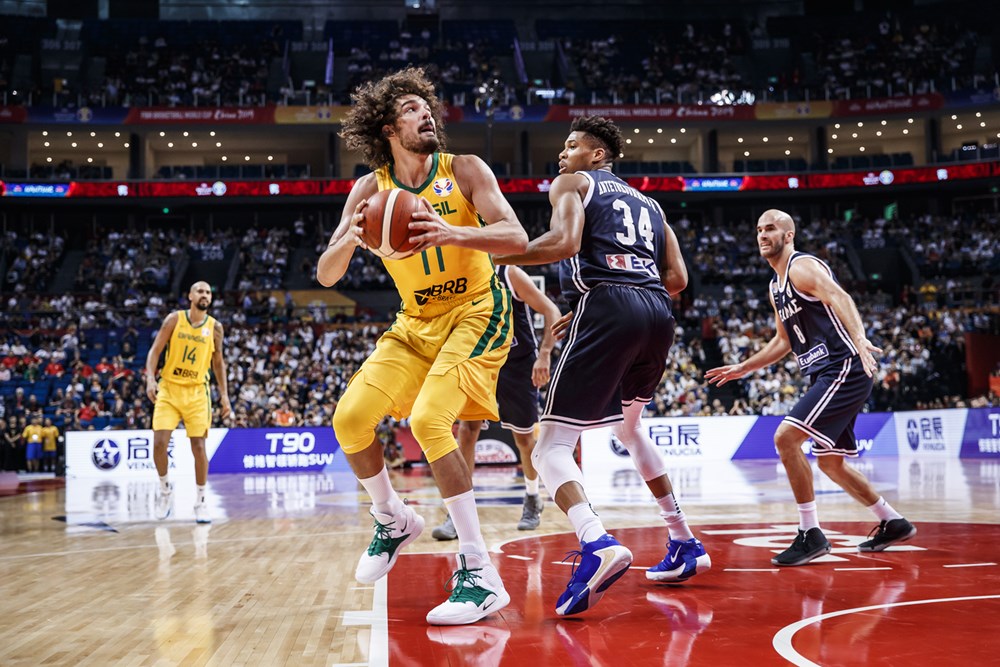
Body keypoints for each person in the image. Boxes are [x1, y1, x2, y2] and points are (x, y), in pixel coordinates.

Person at [317, 66, 528, 626]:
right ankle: (391, 517)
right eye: (411, 109)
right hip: (416, 322)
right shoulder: (369, 190)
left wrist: (453, 231)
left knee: (432, 419)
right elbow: (326, 274)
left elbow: (516, 237)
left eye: (427, 106)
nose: (426, 114)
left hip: (478, 309)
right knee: (350, 418)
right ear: (388, 127)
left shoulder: (464, 170)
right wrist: (355, 237)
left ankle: (480, 574)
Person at [495, 116, 709, 617]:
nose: (562, 155)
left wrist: (502, 249)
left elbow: (565, 243)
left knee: (549, 447)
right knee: (631, 433)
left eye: (571, 146)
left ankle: (597, 543)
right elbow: (677, 278)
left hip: (609, 306)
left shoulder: (573, 182)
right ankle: (684, 541)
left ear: (597, 155)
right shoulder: (652, 205)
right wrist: (629, 284)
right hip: (657, 312)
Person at [705, 209, 916, 566]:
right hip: (824, 373)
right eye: (758, 229)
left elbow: (841, 297)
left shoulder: (802, 267)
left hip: (844, 366)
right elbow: (782, 341)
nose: (762, 235)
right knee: (831, 465)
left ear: (789, 235)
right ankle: (893, 521)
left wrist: (861, 337)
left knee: (785, 439)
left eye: (770, 228)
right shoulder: (775, 287)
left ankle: (811, 533)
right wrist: (745, 366)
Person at [432, 264, 561, 540]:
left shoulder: (509, 274)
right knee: (467, 432)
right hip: (479, 364)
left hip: (516, 365)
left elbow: (552, 311)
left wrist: (545, 353)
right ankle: (459, 513)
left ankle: (532, 498)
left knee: (524, 440)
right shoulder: (460, 279)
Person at [145, 281, 231, 524]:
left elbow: (218, 363)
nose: (204, 295)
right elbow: (155, 350)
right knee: (160, 443)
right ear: (190, 296)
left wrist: (224, 396)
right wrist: (150, 379)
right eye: (200, 291)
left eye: (208, 292)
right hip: (169, 389)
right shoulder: (174, 320)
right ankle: (165, 491)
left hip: (197, 392)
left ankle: (201, 501)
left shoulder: (215, 327)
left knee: (199, 448)